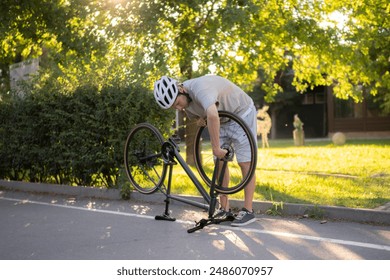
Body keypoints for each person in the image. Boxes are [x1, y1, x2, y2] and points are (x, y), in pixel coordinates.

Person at [153, 75, 257, 227]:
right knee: (220, 163)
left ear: (181, 89)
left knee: (245, 163)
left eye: (177, 103)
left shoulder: (201, 88)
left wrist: (215, 148)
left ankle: (248, 211)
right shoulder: (185, 101)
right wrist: (199, 120)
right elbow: (199, 116)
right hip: (222, 119)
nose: (179, 108)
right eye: (174, 108)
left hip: (242, 113)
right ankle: (224, 209)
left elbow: (212, 115)